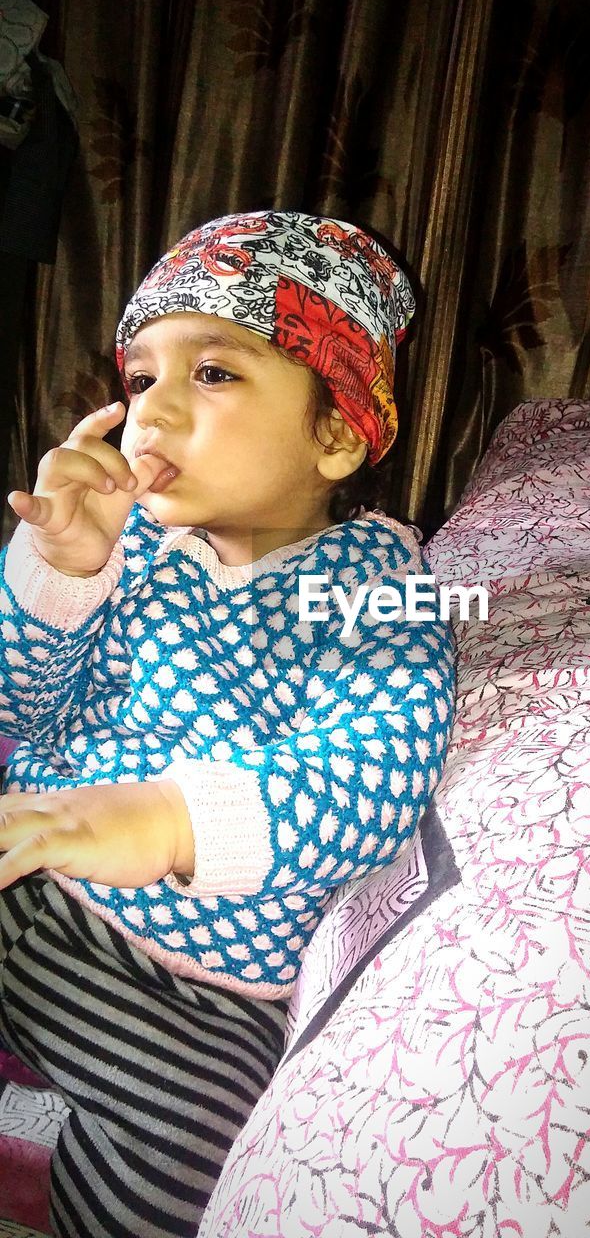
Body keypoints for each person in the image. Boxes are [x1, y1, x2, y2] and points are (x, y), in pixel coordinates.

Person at [0, 210, 456, 1238]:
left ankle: (57, 1130)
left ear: (335, 431)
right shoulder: (139, 545)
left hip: (197, 985)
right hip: (32, 868)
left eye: (213, 372)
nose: (153, 412)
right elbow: (26, 708)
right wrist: (58, 576)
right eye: (141, 378)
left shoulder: (376, 583)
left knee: (190, 1157)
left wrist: (169, 821)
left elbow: (372, 778)